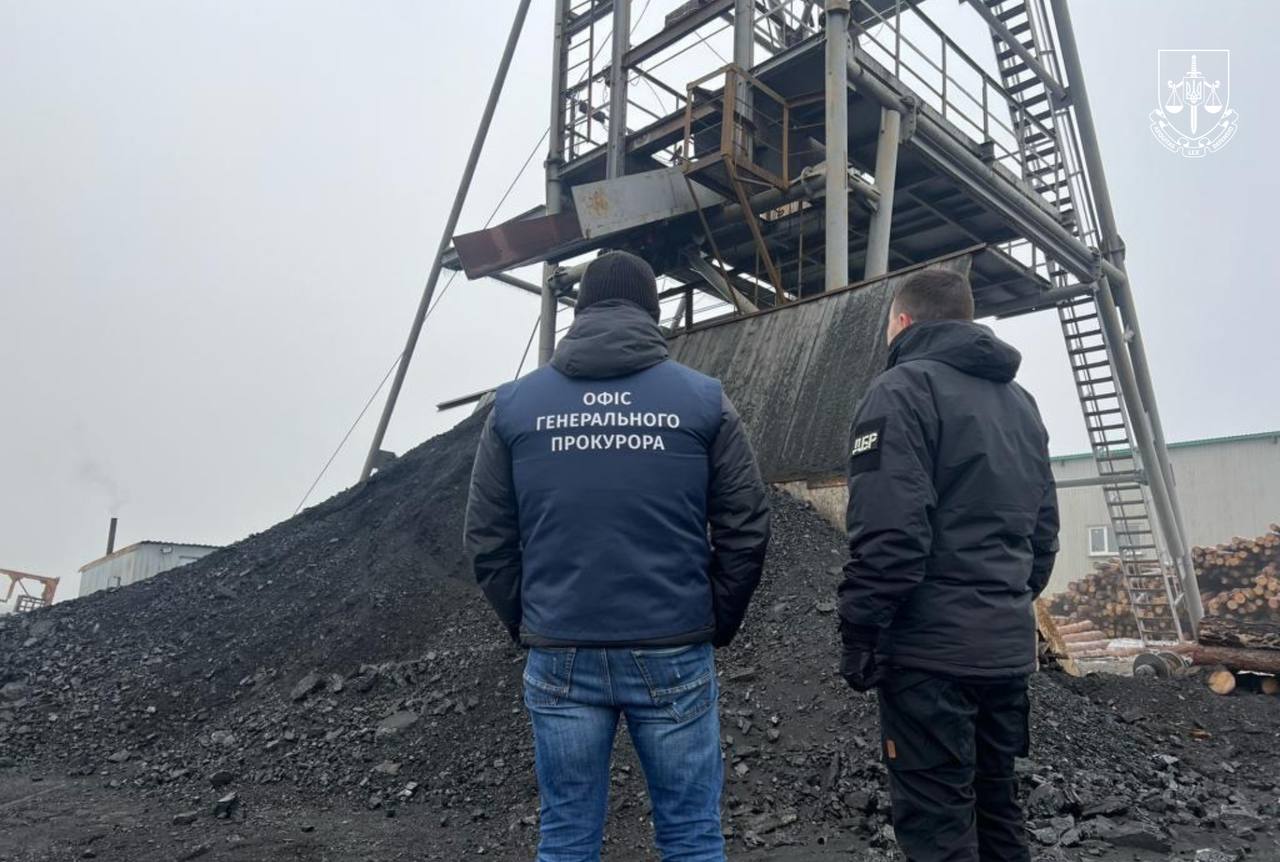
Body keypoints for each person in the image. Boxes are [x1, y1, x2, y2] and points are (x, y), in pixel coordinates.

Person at [465, 249, 771, 862]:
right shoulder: (704, 400)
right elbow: (746, 527)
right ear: (651, 311)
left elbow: (487, 538)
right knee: (691, 835)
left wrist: (530, 620)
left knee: (566, 836)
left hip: (561, 649)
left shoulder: (515, 407)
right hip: (673, 646)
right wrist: (714, 619)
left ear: (579, 311)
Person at [837, 268, 1060, 862]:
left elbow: (890, 535)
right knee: (997, 810)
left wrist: (860, 629)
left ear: (902, 321)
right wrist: (1005, 602)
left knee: (939, 826)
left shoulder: (900, 390)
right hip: (1005, 653)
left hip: (930, 657)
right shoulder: (1022, 404)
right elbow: (1043, 536)